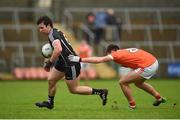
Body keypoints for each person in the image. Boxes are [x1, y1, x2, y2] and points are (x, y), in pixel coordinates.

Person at [35, 16, 108, 109]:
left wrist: (49, 63)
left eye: (42, 28)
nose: (40, 30)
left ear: (48, 25)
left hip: (71, 63)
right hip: (63, 61)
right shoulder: (55, 31)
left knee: (74, 89)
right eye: (39, 28)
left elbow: (58, 50)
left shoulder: (53, 36)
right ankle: (50, 102)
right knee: (51, 80)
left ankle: (101, 92)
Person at [68, 44, 166, 109]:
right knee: (138, 83)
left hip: (147, 65)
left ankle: (132, 105)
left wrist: (79, 59)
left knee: (122, 82)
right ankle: (158, 98)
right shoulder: (124, 52)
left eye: (108, 54)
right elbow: (135, 60)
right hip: (153, 61)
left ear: (111, 51)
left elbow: (99, 60)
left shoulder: (115, 54)